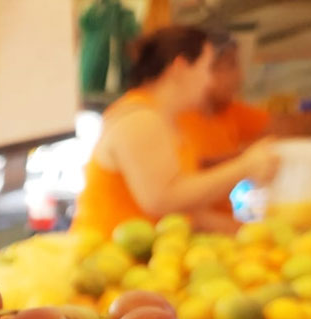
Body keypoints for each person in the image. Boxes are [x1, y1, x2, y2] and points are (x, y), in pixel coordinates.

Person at [72, 26, 279, 236]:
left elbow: (188, 211)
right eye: (206, 68)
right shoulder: (140, 118)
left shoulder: (166, 120)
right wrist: (245, 167)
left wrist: (251, 234)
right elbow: (161, 199)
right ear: (180, 67)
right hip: (106, 258)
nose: (209, 82)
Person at [176, 34, 271, 230]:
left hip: (211, 242)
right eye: (230, 66)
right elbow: (172, 202)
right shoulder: (168, 118)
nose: (240, 77)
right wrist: (245, 163)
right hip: (188, 239)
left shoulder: (227, 111)